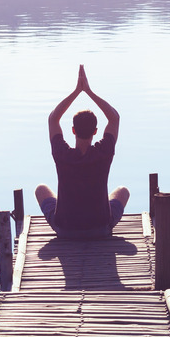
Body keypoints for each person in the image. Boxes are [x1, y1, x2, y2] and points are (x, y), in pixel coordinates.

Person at [35, 65, 130, 239]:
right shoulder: (104, 152)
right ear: (95, 131)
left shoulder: (62, 154)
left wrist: (77, 91)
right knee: (123, 191)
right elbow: (114, 118)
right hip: (100, 228)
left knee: (41, 189)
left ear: (73, 130)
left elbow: (53, 118)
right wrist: (89, 91)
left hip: (65, 229)